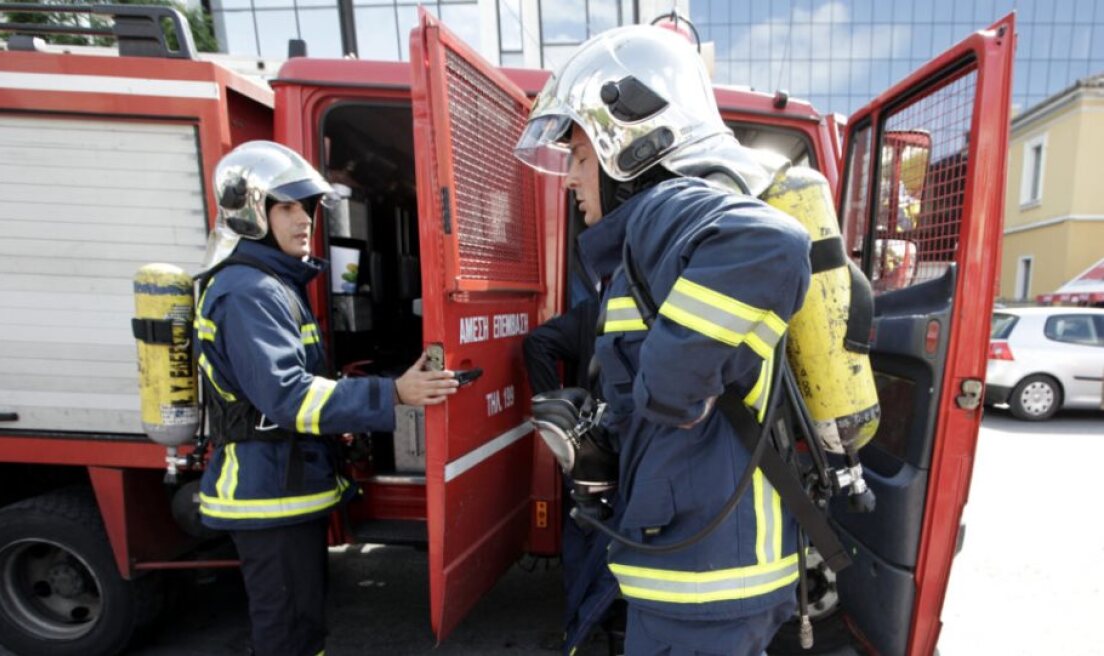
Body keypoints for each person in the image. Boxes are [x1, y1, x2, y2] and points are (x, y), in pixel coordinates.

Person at [516, 26, 812, 656]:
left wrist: (667, 393)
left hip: (704, 586)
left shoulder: (663, 208)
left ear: (627, 142)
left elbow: (770, 245)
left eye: (578, 156)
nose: (569, 179)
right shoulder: (646, 243)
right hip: (704, 576)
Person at [194, 141, 458, 656]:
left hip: (281, 489)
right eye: (287, 207)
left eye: (307, 207)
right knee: (288, 634)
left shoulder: (269, 283)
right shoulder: (250, 290)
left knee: (300, 627)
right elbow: (288, 398)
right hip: (268, 494)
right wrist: (393, 394)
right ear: (251, 214)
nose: (304, 220)